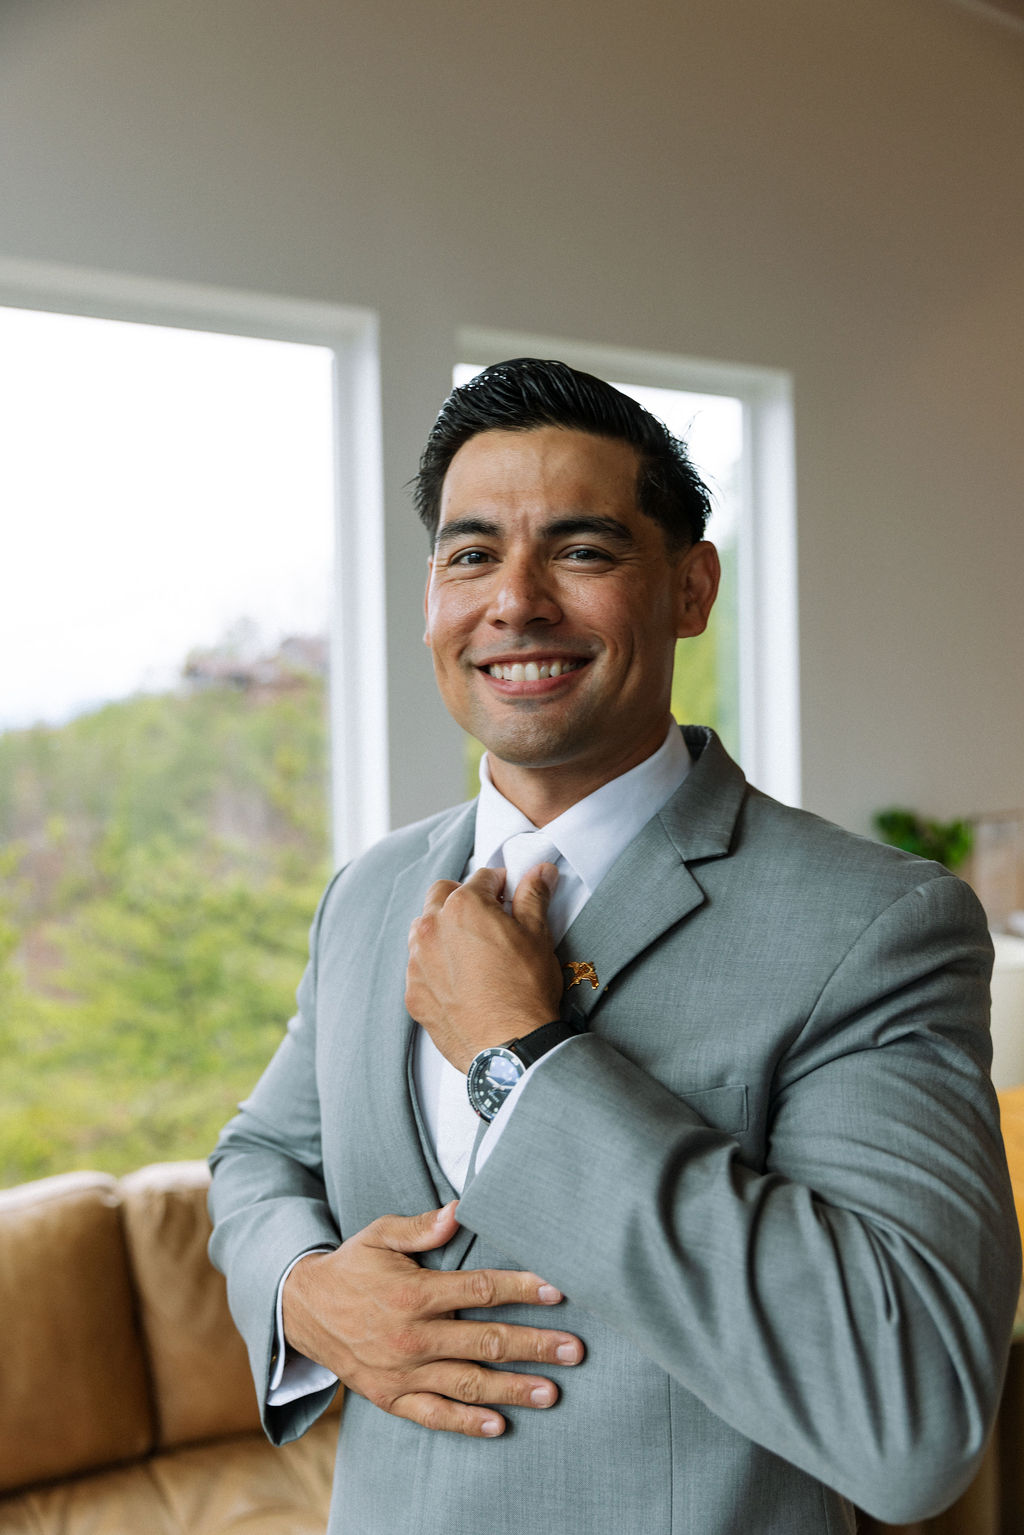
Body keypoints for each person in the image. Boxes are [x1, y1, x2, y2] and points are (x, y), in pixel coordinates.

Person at [208, 359, 1020, 1534]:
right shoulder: (372, 890)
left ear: (690, 588)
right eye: (471, 552)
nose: (516, 602)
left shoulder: (877, 925)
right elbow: (259, 1156)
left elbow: (911, 1416)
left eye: (581, 551)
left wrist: (517, 1053)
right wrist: (300, 1288)